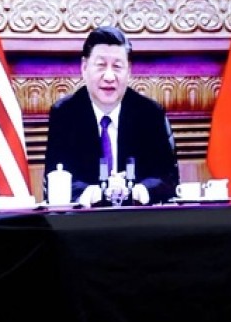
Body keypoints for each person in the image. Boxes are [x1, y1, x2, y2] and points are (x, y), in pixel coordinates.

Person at [43, 25, 179, 207]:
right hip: (82, 224)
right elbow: (56, 176)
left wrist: (137, 191)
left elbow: (167, 177)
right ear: (84, 67)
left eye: (117, 66)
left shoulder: (149, 113)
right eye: (100, 66)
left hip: (139, 222)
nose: (109, 76)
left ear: (129, 70)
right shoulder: (66, 114)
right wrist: (95, 193)